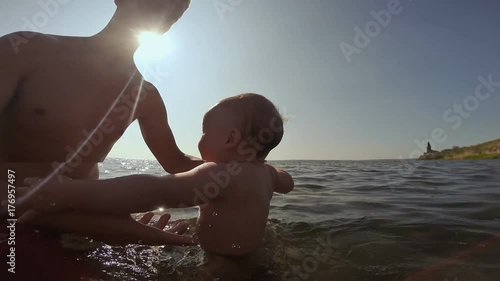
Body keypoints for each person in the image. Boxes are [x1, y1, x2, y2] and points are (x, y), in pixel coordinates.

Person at [0, 0, 200, 280]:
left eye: (178, 7)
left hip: (86, 232)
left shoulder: (146, 96)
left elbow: (176, 162)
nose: (168, 7)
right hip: (12, 222)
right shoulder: (26, 49)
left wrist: (246, 163)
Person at [17, 94, 295, 280]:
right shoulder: (267, 173)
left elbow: (153, 190)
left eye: (204, 132)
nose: (200, 140)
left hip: (219, 266)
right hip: (256, 256)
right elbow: (288, 182)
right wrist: (268, 163)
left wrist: (65, 191)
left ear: (230, 138)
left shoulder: (217, 174)